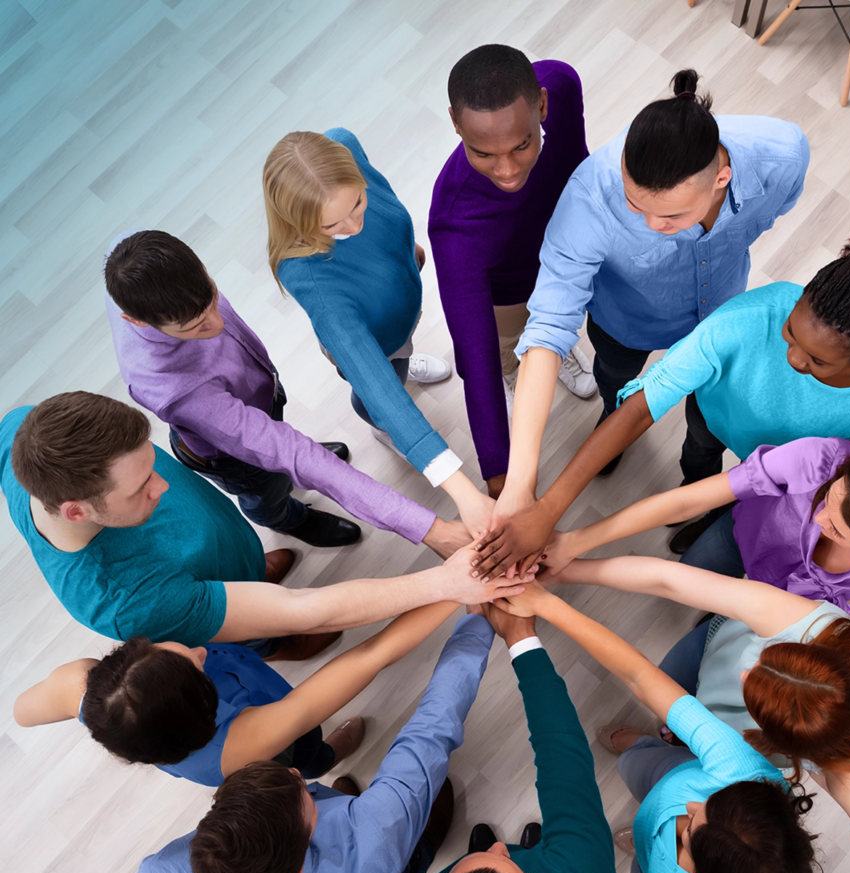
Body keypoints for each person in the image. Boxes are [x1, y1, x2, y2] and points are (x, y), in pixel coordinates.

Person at [474, 215, 850, 578]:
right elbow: (645, 404)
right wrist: (548, 509)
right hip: (713, 418)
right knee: (698, 461)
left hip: (772, 475)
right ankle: (702, 505)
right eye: (790, 333)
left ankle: (715, 515)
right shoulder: (747, 318)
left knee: (734, 503)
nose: (794, 359)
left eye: (816, 361)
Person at [493, 582, 817, 873]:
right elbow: (642, 676)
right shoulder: (740, 767)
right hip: (665, 774)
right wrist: (548, 605)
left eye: (687, 835)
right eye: (705, 806)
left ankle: (637, 823)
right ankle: (636, 745)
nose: (688, 808)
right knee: (639, 764)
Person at [494, 66, 809, 521]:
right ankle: (611, 418)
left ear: (720, 180)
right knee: (615, 379)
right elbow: (547, 327)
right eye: (634, 205)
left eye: (669, 217)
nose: (649, 226)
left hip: (721, 318)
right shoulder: (589, 199)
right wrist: (521, 482)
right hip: (625, 323)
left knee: (710, 419)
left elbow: (774, 209)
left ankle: (698, 480)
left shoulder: (783, 155)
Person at [0, 393, 533, 655]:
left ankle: (247, 571)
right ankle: (275, 642)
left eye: (150, 462)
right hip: (201, 610)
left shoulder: (26, 430)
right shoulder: (129, 600)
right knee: (273, 625)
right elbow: (305, 607)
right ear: (74, 510)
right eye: (140, 489)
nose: (163, 483)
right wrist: (444, 582)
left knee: (242, 565)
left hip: (217, 552)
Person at [133, 610, 496, 873]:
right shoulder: (376, 836)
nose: (296, 774)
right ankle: (423, 846)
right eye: (301, 793)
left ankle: (333, 807)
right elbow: (432, 730)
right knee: (410, 841)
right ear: (300, 868)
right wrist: (478, 621)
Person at [543, 556, 850, 867]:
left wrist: (843, 778)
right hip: (707, 654)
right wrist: (568, 570)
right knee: (667, 695)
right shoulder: (813, 625)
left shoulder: (832, 760)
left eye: (755, 695)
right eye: (769, 659)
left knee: (673, 762)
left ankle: (655, 800)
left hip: (717, 738)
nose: (745, 672)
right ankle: (656, 741)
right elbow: (668, 579)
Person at [105, 229, 468, 554]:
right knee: (266, 489)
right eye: (196, 327)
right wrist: (428, 528)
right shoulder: (176, 389)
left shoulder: (136, 257)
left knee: (286, 452)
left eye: (213, 299)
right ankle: (290, 519)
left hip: (258, 394)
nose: (217, 325)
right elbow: (292, 452)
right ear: (135, 319)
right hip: (231, 455)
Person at [361, 602, 616, 873]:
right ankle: (535, 855)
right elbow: (563, 759)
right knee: (533, 852)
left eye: (487, 856)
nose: (501, 846)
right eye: (506, 858)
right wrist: (522, 638)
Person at [540, 437, 850, 671]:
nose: (819, 516)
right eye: (829, 496)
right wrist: (576, 541)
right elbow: (687, 502)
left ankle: (714, 622)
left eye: (835, 527)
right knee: (688, 573)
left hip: (778, 618)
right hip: (741, 539)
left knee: (690, 661)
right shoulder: (820, 461)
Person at [263, 129, 494, 538]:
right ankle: (385, 428)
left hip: (399, 304)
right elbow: (376, 383)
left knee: (401, 355)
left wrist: (408, 253)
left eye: (358, 202)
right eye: (333, 224)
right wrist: (462, 490)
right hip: (373, 344)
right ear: (298, 224)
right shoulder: (312, 278)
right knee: (386, 386)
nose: (355, 223)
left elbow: (384, 209)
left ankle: (402, 361)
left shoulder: (343, 144)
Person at [13, 600, 463, 787]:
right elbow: (370, 656)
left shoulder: (86, 685)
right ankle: (325, 758)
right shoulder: (248, 741)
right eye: (197, 664)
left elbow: (20, 713)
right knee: (303, 756)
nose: (202, 650)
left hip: (211, 717)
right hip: (275, 739)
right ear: (203, 706)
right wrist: (456, 594)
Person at [429, 45, 593, 497]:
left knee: (564, 325)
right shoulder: (453, 224)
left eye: (522, 144)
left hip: (571, 257)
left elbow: (579, 159)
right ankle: (514, 373)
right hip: (508, 297)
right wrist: (501, 475)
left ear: (542, 104)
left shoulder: (560, 82)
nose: (507, 169)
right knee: (499, 355)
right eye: (483, 153)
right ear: (455, 124)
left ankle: (557, 350)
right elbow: (473, 353)